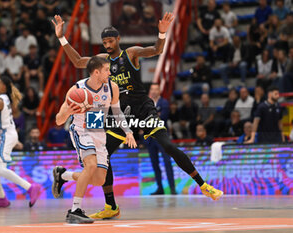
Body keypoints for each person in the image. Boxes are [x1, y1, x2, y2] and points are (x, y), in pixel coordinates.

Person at [52, 12, 223, 220]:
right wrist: (61, 37)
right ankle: (111, 206)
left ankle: (204, 185)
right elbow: (79, 61)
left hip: (142, 109)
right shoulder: (102, 62)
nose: (107, 44)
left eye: (110, 40)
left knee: (167, 146)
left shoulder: (130, 54)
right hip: (120, 115)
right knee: (103, 157)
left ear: (118, 40)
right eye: (104, 41)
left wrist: (161, 34)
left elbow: (156, 50)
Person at [52, 56, 137, 224]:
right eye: (106, 70)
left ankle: (63, 175)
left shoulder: (112, 88)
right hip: (81, 130)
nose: (110, 73)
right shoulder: (76, 90)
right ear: (96, 72)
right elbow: (58, 120)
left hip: (98, 132)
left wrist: (128, 131)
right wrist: (68, 111)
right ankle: (75, 210)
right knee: (90, 165)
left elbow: (117, 112)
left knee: (99, 180)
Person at [0, 76, 42, 208]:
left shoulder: (0, 100)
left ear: (4, 87)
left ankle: (30, 187)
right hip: (4, 134)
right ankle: (1, 198)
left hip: (5, 135)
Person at [146, 83, 176, 195]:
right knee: (154, 163)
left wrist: (148, 119)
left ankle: (172, 187)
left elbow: (162, 117)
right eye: (152, 89)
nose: (154, 91)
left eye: (156, 89)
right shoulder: (146, 103)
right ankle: (160, 188)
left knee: (167, 161)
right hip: (150, 137)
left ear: (159, 91)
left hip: (162, 136)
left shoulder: (164, 102)